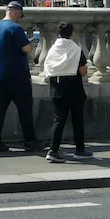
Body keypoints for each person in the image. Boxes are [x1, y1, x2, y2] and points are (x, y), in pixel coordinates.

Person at [0, 1, 42, 152]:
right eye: (20, 15)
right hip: (17, 76)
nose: (20, 18)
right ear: (16, 12)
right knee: (25, 110)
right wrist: (31, 44)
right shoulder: (16, 28)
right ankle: (29, 141)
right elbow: (27, 49)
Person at [43, 22, 92, 163]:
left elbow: (48, 66)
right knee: (77, 119)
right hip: (74, 87)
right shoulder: (75, 49)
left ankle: (53, 150)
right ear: (72, 33)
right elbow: (83, 71)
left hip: (57, 88)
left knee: (59, 119)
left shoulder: (53, 49)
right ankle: (80, 150)